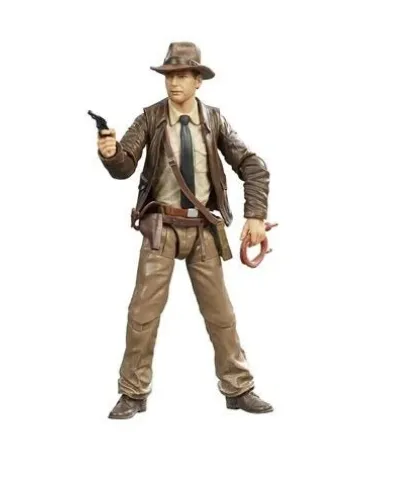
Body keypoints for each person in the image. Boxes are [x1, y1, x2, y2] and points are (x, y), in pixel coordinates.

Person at [97, 42, 272, 419]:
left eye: (181, 76)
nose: (174, 83)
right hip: (160, 227)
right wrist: (111, 154)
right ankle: (133, 392)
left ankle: (238, 387)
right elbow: (125, 165)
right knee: (143, 313)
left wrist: (255, 215)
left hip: (203, 228)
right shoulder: (150, 118)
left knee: (220, 313)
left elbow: (252, 165)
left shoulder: (214, 120)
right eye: (169, 76)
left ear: (198, 80)